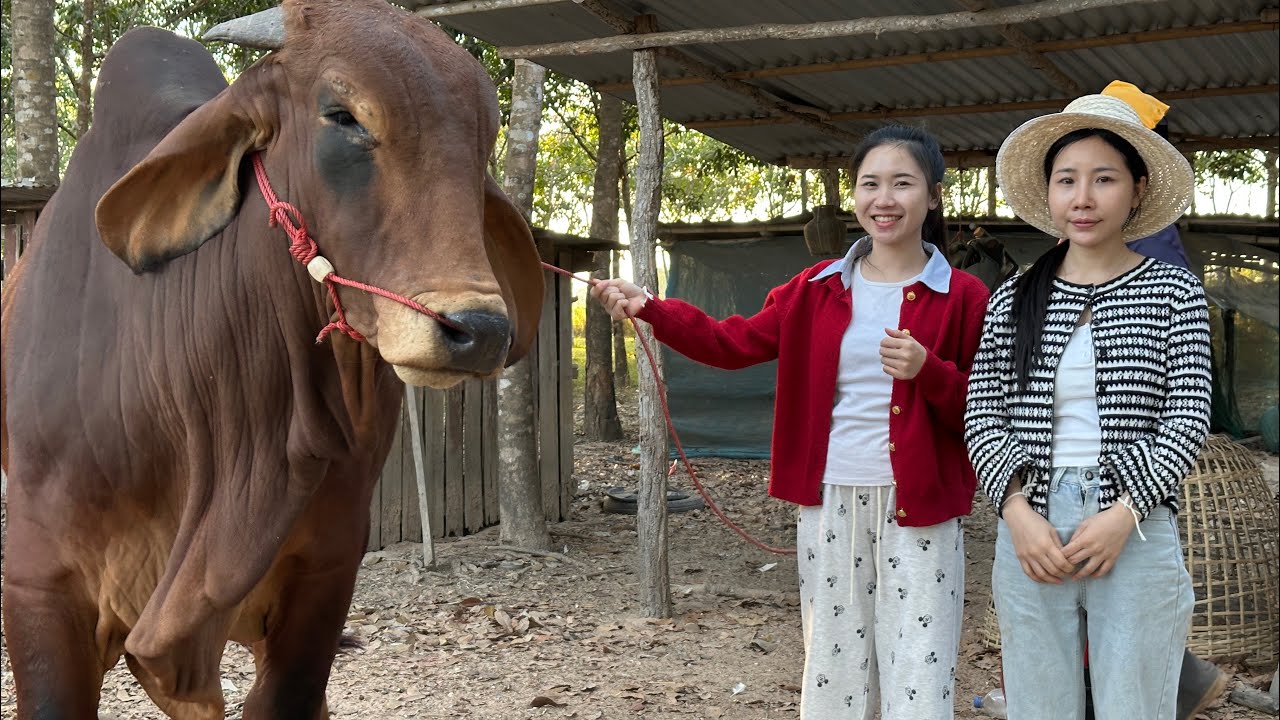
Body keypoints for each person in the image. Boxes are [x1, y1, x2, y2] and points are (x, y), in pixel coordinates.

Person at [592, 125, 991, 720]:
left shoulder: (965, 296)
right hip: (828, 498)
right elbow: (731, 342)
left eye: (903, 184)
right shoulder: (815, 287)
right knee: (834, 655)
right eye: (870, 184)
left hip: (923, 503)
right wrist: (650, 307)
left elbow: (986, 408)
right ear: (854, 195)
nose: (884, 199)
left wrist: (927, 370)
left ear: (933, 195)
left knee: (918, 660)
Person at [965, 93, 1212, 719]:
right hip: (1032, 525)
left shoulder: (1174, 290)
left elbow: (1188, 415)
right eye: (1067, 180)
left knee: (1134, 703)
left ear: (1137, 189)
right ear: (1049, 193)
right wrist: (1016, 512)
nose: (1083, 198)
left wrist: (1124, 512)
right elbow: (982, 412)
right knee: (1040, 703)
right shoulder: (1015, 296)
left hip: (1135, 523)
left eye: (1104, 179)